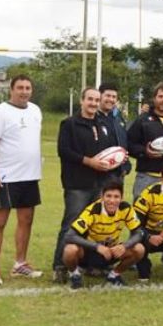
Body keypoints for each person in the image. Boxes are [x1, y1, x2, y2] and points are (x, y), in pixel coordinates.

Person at [52, 87, 117, 282]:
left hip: (100, 183)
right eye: (90, 99)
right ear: (82, 101)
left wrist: (115, 159)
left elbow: (107, 151)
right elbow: (63, 151)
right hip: (77, 184)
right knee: (71, 225)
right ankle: (60, 266)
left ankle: (91, 265)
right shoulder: (69, 124)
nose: (93, 103)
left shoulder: (103, 123)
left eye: (97, 100)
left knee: (95, 226)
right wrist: (89, 162)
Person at [0, 74, 43, 286]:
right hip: (6, 178)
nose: (24, 91)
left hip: (30, 176)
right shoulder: (0, 112)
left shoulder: (36, 110)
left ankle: (20, 263)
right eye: (20, 87)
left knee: (26, 220)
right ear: (12, 89)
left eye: (28, 87)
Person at [62, 180, 145, 289]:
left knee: (139, 249)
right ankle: (75, 275)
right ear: (102, 196)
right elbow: (69, 236)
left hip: (110, 252)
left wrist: (124, 246)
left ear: (122, 198)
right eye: (108, 196)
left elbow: (139, 233)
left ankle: (114, 275)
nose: (112, 200)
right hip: (89, 253)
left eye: (116, 197)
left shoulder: (126, 208)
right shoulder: (93, 210)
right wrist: (97, 247)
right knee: (70, 249)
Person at [97, 82, 131, 184]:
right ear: (100, 96)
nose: (111, 99)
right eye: (108, 96)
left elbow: (123, 143)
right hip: (98, 175)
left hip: (117, 174)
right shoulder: (93, 118)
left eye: (114, 97)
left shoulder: (118, 118)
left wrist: (125, 167)